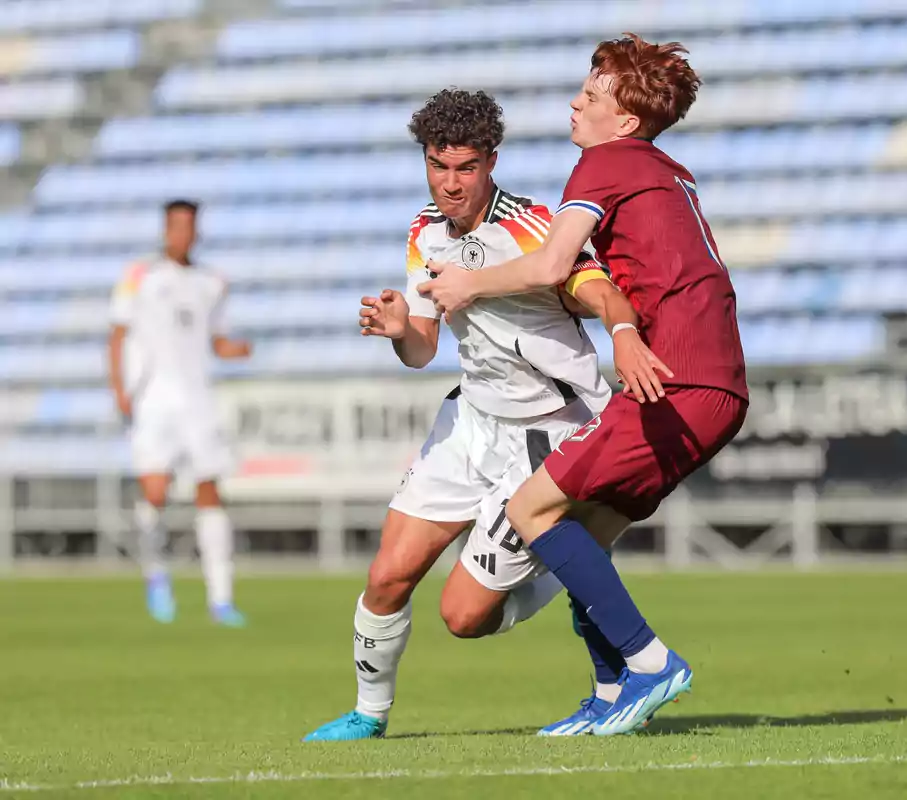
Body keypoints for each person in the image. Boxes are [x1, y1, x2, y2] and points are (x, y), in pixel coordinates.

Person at [303, 89, 666, 742]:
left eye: (465, 168)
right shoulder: (424, 231)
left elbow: (597, 288)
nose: (451, 183)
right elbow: (422, 348)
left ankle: (569, 559)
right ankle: (369, 713)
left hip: (547, 435)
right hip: (470, 424)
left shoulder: (532, 227)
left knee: (463, 618)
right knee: (387, 575)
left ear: (491, 162)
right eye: (438, 166)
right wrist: (396, 330)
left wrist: (624, 332)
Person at [419, 34, 749, 736]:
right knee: (580, 536)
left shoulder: (605, 161)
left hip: (677, 380)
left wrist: (469, 283)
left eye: (592, 95)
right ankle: (608, 695)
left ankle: (650, 662)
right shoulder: (665, 167)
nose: (576, 102)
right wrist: (628, 332)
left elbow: (550, 266)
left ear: (624, 120)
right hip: (709, 383)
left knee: (533, 511)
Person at [107, 199, 253, 627]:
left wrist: (238, 349)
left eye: (188, 226)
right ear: (165, 230)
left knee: (209, 492)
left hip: (198, 400)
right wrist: (120, 388)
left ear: (196, 231)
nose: (182, 234)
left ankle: (220, 598)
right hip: (154, 398)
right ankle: (157, 576)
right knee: (155, 492)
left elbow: (216, 341)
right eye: (175, 226)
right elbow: (117, 335)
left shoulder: (212, 282)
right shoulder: (139, 277)